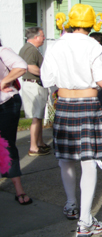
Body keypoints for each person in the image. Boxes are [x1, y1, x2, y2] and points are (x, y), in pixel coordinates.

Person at [41, 4, 102, 237]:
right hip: (88, 104)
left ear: (71, 23)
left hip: (64, 103)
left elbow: (46, 79)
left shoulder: (55, 45)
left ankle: (71, 204)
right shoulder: (95, 46)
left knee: (66, 159)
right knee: (88, 161)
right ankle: (85, 222)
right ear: (92, 23)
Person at [0, 40, 32, 205]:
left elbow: (21, 66)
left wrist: (4, 81)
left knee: (6, 145)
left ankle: (19, 189)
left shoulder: (2, 51)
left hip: (6, 103)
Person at [18, 27, 50, 156]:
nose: (44, 38)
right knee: (36, 117)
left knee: (39, 116)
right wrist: (45, 75)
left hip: (35, 85)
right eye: (42, 36)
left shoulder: (31, 48)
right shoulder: (29, 49)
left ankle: (40, 142)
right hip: (33, 85)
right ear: (36, 37)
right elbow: (30, 67)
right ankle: (33, 147)